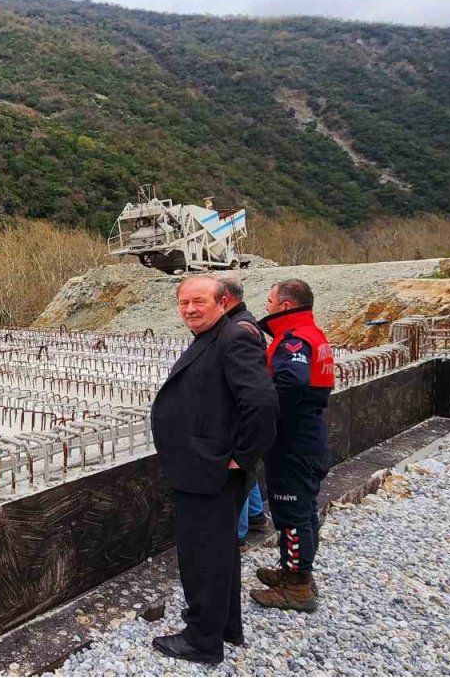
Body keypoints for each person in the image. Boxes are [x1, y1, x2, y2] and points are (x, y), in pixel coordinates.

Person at [150, 276, 278, 664]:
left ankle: (202, 641)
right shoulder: (217, 333)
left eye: (198, 301)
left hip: (209, 470)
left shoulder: (233, 336)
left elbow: (262, 403)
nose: (189, 309)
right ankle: (224, 626)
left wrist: (243, 455)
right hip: (204, 467)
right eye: (183, 303)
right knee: (219, 553)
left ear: (222, 302)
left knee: (202, 555)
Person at [251, 279, 335, 612]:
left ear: (285, 305)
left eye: (270, 301)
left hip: (293, 440)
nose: (267, 306)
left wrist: (257, 404)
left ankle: (297, 587)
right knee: (303, 509)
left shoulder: (294, 340)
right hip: (306, 435)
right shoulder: (312, 333)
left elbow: (290, 381)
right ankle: (294, 572)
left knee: (292, 512)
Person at [219, 276, 270, 544]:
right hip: (242, 413)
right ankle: (257, 516)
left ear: (224, 298)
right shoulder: (245, 322)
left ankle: (235, 536)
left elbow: (255, 392)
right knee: (248, 470)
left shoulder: (239, 330)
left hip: (238, 415)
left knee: (239, 472)